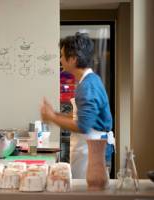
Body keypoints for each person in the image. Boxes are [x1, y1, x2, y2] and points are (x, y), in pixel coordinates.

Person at [40, 32, 115, 178]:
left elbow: (83, 125)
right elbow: (80, 115)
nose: (60, 59)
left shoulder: (87, 86)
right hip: (86, 151)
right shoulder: (88, 81)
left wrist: (51, 117)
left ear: (73, 59)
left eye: (62, 55)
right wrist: (55, 114)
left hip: (92, 155)